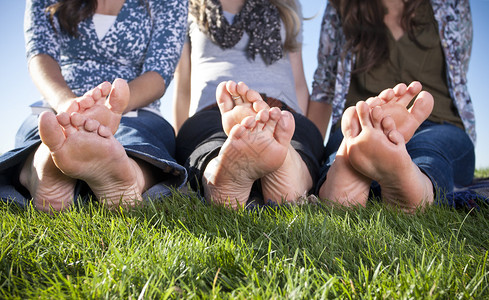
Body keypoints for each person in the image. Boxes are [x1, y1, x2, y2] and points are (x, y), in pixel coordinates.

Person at [0, 0, 188, 212]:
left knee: (136, 138)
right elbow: (40, 56)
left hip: (135, 105)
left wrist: (113, 107)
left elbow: (159, 73)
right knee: (43, 131)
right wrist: (69, 105)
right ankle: (46, 166)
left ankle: (42, 169)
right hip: (59, 103)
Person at [308, 0, 476, 211]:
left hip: (438, 121)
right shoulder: (341, 6)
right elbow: (324, 86)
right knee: (353, 139)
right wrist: (311, 152)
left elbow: (459, 73)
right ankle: (397, 177)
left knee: (431, 146)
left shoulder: (453, 4)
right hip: (362, 120)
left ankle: (406, 179)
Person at [173, 0, 325, 208]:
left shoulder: (286, 7)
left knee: (295, 137)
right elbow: (183, 86)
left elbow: (298, 81)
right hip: (215, 110)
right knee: (207, 140)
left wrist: (300, 124)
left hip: (280, 110)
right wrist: (180, 139)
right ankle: (232, 169)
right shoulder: (186, 9)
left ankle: (283, 161)